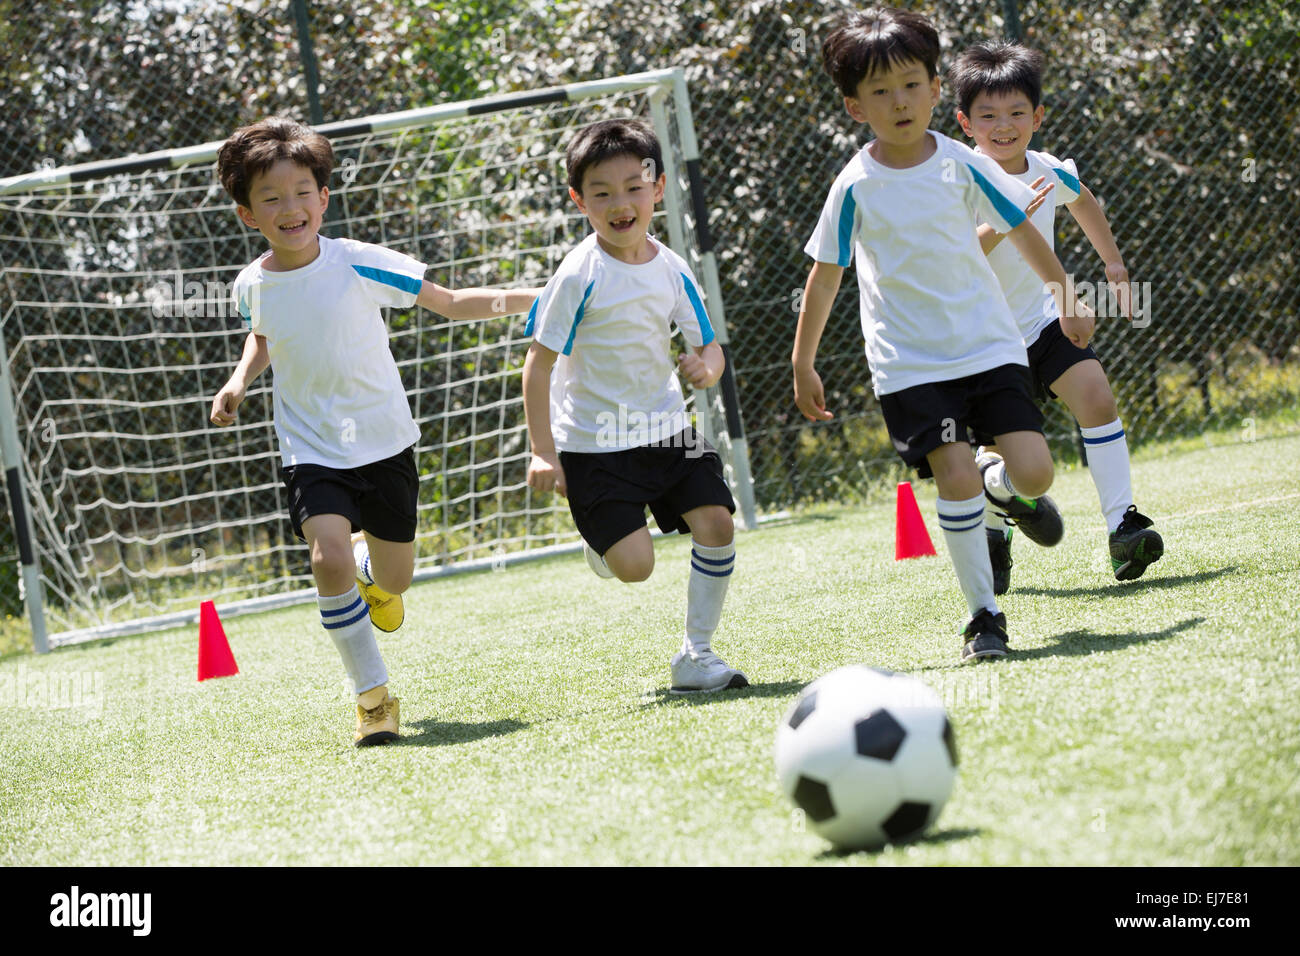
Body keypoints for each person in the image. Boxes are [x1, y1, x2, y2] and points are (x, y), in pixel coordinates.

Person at [209, 117, 539, 745]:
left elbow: (450, 300)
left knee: (394, 580)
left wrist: (534, 296)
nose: (290, 207)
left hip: (385, 442)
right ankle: (373, 698)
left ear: (323, 197)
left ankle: (370, 567)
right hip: (311, 447)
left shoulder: (360, 263)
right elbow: (264, 334)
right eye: (271, 198)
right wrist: (238, 382)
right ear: (249, 214)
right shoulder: (250, 284)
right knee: (324, 557)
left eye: (302, 191)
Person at [793, 7, 1094, 663]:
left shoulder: (964, 163)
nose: (898, 101)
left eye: (910, 84)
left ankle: (1002, 486)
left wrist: (1066, 294)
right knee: (951, 475)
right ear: (854, 106)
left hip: (989, 345)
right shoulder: (854, 185)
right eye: (879, 91)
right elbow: (824, 277)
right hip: (911, 364)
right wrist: (803, 363)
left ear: (936, 87)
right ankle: (984, 616)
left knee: (1036, 472)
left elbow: (1019, 228)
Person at [523, 118, 747, 693]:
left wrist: (707, 367)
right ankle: (603, 540)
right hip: (594, 446)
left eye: (633, 186)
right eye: (602, 192)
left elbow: (709, 345)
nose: (620, 203)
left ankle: (696, 656)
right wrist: (543, 453)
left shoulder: (671, 267)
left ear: (658, 188)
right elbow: (538, 365)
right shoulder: (577, 275)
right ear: (580, 201)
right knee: (635, 567)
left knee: (718, 524)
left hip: (668, 429)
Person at [950, 40, 1164, 589]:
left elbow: (1082, 198)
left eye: (1017, 112)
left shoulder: (1046, 169)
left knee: (1096, 396)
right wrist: (1007, 217)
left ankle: (1123, 526)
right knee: (1002, 455)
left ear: (1038, 117)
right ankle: (996, 534)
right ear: (964, 122)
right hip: (983, 339)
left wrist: (1113, 266)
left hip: (1045, 318)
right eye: (988, 115)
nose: (1004, 125)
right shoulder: (958, 179)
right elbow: (956, 256)